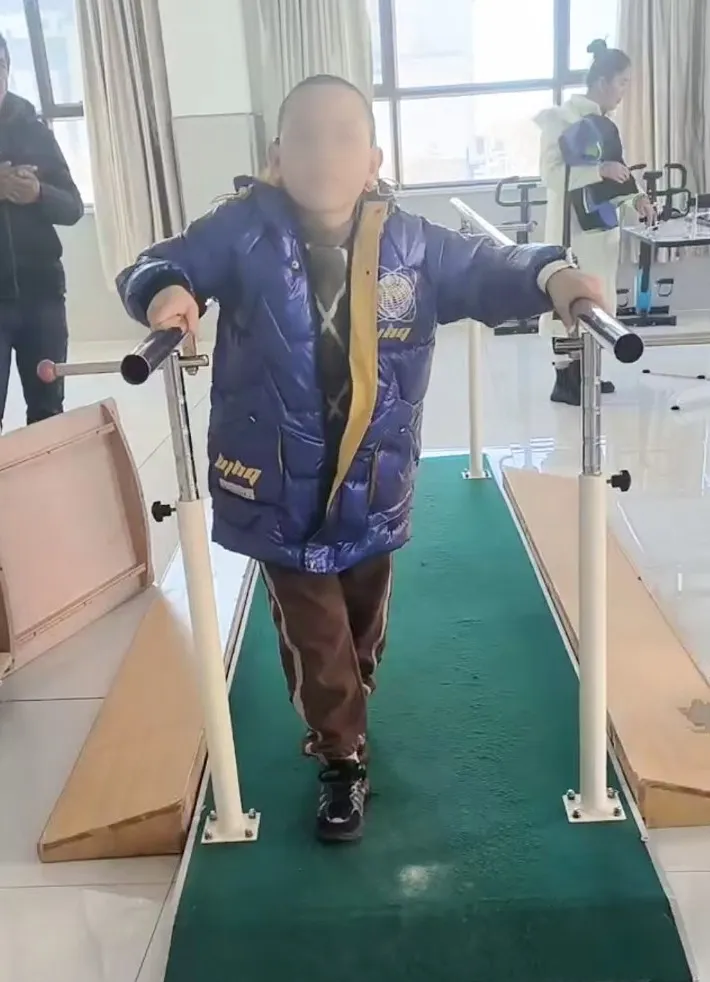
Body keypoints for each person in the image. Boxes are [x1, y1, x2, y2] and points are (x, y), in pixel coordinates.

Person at [117, 74, 607, 844]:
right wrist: (165, 295)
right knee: (317, 631)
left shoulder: (413, 244)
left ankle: (348, 697)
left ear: (374, 160)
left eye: (345, 137)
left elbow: (490, 267)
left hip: (373, 481)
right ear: (276, 156)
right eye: (305, 137)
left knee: (360, 619)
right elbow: (158, 263)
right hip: (277, 482)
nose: (325, 153)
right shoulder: (241, 231)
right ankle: (341, 754)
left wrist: (554, 275)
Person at [535, 39, 655, 406]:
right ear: (602, 81)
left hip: (602, 229)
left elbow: (619, 175)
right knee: (568, 297)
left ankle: (588, 372)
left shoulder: (607, 126)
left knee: (599, 298)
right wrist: (598, 169)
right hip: (571, 230)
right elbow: (551, 175)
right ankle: (565, 377)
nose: (623, 91)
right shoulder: (560, 119)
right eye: (622, 82)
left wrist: (637, 199)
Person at [0, 31, 84, 431]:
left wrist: (38, 193)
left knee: (48, 415)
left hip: (43, 297)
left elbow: (72, 207)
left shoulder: (34, 131)